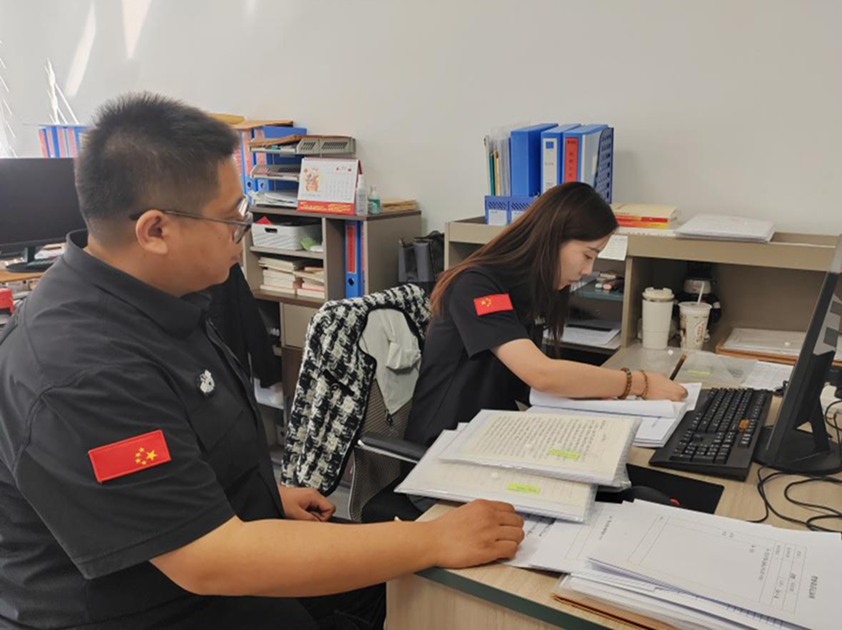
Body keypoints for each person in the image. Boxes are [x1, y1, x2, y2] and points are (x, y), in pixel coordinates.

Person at [0, 93, 524, 630]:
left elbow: (189, 443)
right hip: (157, 605)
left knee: (413, 590)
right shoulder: (80, 372)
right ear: (155, 231)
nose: (243, 233)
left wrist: (265, 495)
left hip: (220, 551)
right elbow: (208, 559)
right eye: (232, 220)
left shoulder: (159, 296)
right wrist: (431, 538)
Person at [405, 182, 688, 446]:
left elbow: (525, 383)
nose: (588, 270)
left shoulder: (529, 289)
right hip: (442, 447)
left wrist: (598, 394)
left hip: (492, 435)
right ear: (553, 237)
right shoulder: (475, 285)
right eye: (588, 255)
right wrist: (637, 383)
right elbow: (541, 374)